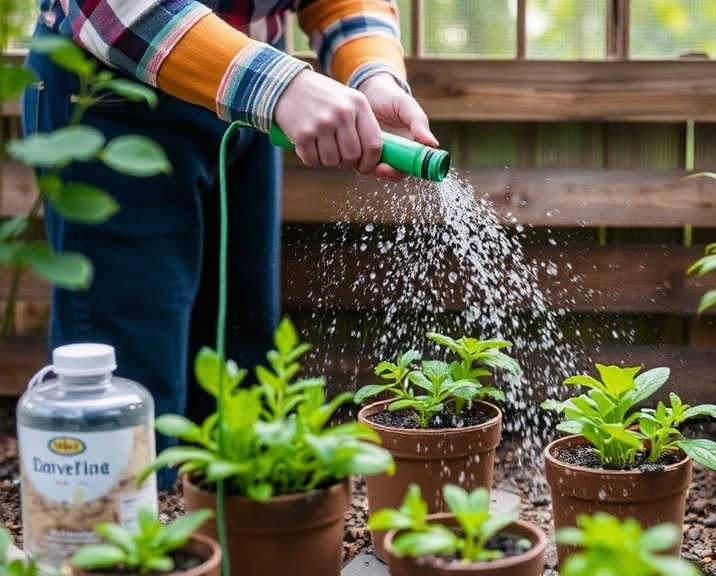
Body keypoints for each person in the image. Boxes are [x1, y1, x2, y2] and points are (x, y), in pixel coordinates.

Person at [22, 0, 435, 489]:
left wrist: (373, 73)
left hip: (253, 93)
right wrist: (281, 85)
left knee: (240, 363)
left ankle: (223, 542)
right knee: (131, 384)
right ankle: (121, 553)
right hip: (114, 88)